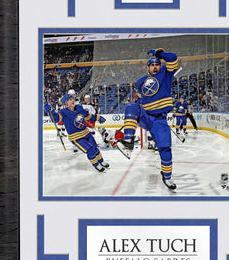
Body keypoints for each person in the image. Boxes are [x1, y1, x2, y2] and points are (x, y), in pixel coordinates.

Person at [115, 48, 178, 190]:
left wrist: (159, 53)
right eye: (152, 65)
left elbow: (173, 57)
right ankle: (128, 142)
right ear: (148, 67)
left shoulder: (166, 74)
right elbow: (141, 100)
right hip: (146, 115)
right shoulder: (141, 81)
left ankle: (167, 177)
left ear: (160, 66)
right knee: (131, 106)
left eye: (157, 64)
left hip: (160, 120)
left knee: (165, 150)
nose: (155, 67)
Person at [44, 94, 110, 172]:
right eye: (70, 100)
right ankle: (96, 165)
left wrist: (98, 118)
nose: (73, 100)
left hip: (86, 133)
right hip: (76, 138)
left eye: (72, 99)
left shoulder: (79, 107)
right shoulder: (63, 112)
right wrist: (51, 112)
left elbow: (88, 115)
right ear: (65, 103)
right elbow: (56, 119)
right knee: (90, 150)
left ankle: (101, 161)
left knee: (95, 148)